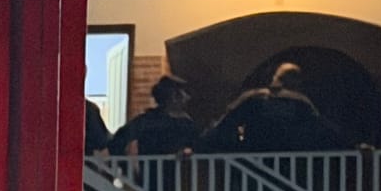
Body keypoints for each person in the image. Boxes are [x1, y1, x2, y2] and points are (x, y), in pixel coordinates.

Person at [199, 61, 350, 155]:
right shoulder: (300, 102)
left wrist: (199, 146)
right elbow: (323, 127)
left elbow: (225, 123)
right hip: (289, 164)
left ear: (274, 78)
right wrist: (352, 145)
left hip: (255, 161)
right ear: (296, 82)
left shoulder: (252, 98)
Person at [107, 74, 200, 157]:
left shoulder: (144, 121)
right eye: (185, 93)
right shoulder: (146, 122)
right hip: (156, 175)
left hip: (158, 175)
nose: (188, 98)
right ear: (174, 96)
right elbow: (116, 145)